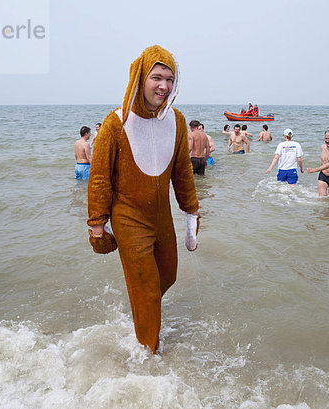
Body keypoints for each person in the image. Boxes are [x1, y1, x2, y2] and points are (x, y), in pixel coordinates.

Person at [87, 45, 200, 354]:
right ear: (140, 77)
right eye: (156, 77)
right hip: (128, 217)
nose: (163, 86)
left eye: (169, 79)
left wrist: (191, 212)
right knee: (148, 290)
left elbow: (182, 171)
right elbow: (98, 177)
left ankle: (143, 309)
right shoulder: (115, 123)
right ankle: (148, 357)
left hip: (161, 215)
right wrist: (97, 224)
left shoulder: (177, 120)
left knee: (168, 276)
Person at [307, 128, 329, 196]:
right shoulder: (322, 147)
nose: (327, 141)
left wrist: (314, 170)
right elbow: (323, 162)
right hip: (323, 176)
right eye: (326, 138)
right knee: (322, 198)